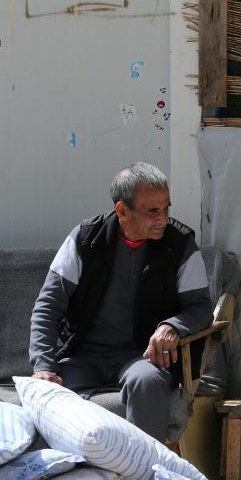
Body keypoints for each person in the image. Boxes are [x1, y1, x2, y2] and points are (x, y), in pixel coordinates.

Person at [29, 162, 212, 441]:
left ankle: (146, 466)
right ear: (123, 211)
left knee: (147, 382)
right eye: (153, 211)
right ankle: (74, 468)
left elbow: (200, 307)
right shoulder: (85, 239)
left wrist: (173, 326)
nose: (163, 219)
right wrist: (43, 366)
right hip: (83, 356)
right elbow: (48, 306)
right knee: (47, 395)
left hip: (141, 357)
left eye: (166, 209)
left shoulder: (180, 244)